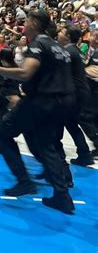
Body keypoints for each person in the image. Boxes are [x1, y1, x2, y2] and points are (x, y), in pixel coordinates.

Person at [0, 10, 76, 214]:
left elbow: (25, 72)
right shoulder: (58, 46)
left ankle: (24, 181)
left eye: (26, 21)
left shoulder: (38, 43)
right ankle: (62, 195)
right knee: (46, 144)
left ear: (34, 24)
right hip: (63, 102)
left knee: (3, 133)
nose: (23, 25)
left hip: (41, 101)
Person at [57, 26, 94, 166]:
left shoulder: (67, 52)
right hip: (81, 91)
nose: (59, 33)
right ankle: (84, 153)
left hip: (75, 93)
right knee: (71, 123)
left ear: (67, 36)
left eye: (61, 32)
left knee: (68, 122)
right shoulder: (76, 51)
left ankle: (83, 154)